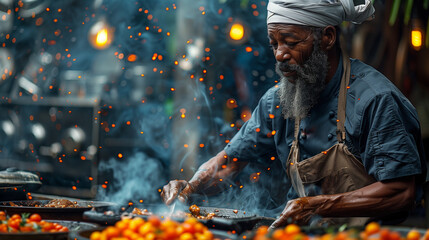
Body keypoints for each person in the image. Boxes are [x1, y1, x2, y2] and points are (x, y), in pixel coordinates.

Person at [161, 0, 427, 227]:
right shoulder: (275, 102)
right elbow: (229, 162)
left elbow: (401, 191)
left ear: (328, 37)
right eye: (274, 43)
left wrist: (314, 206)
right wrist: (192, 186)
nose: (279, 54)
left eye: (290, 42)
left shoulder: (375, 100)